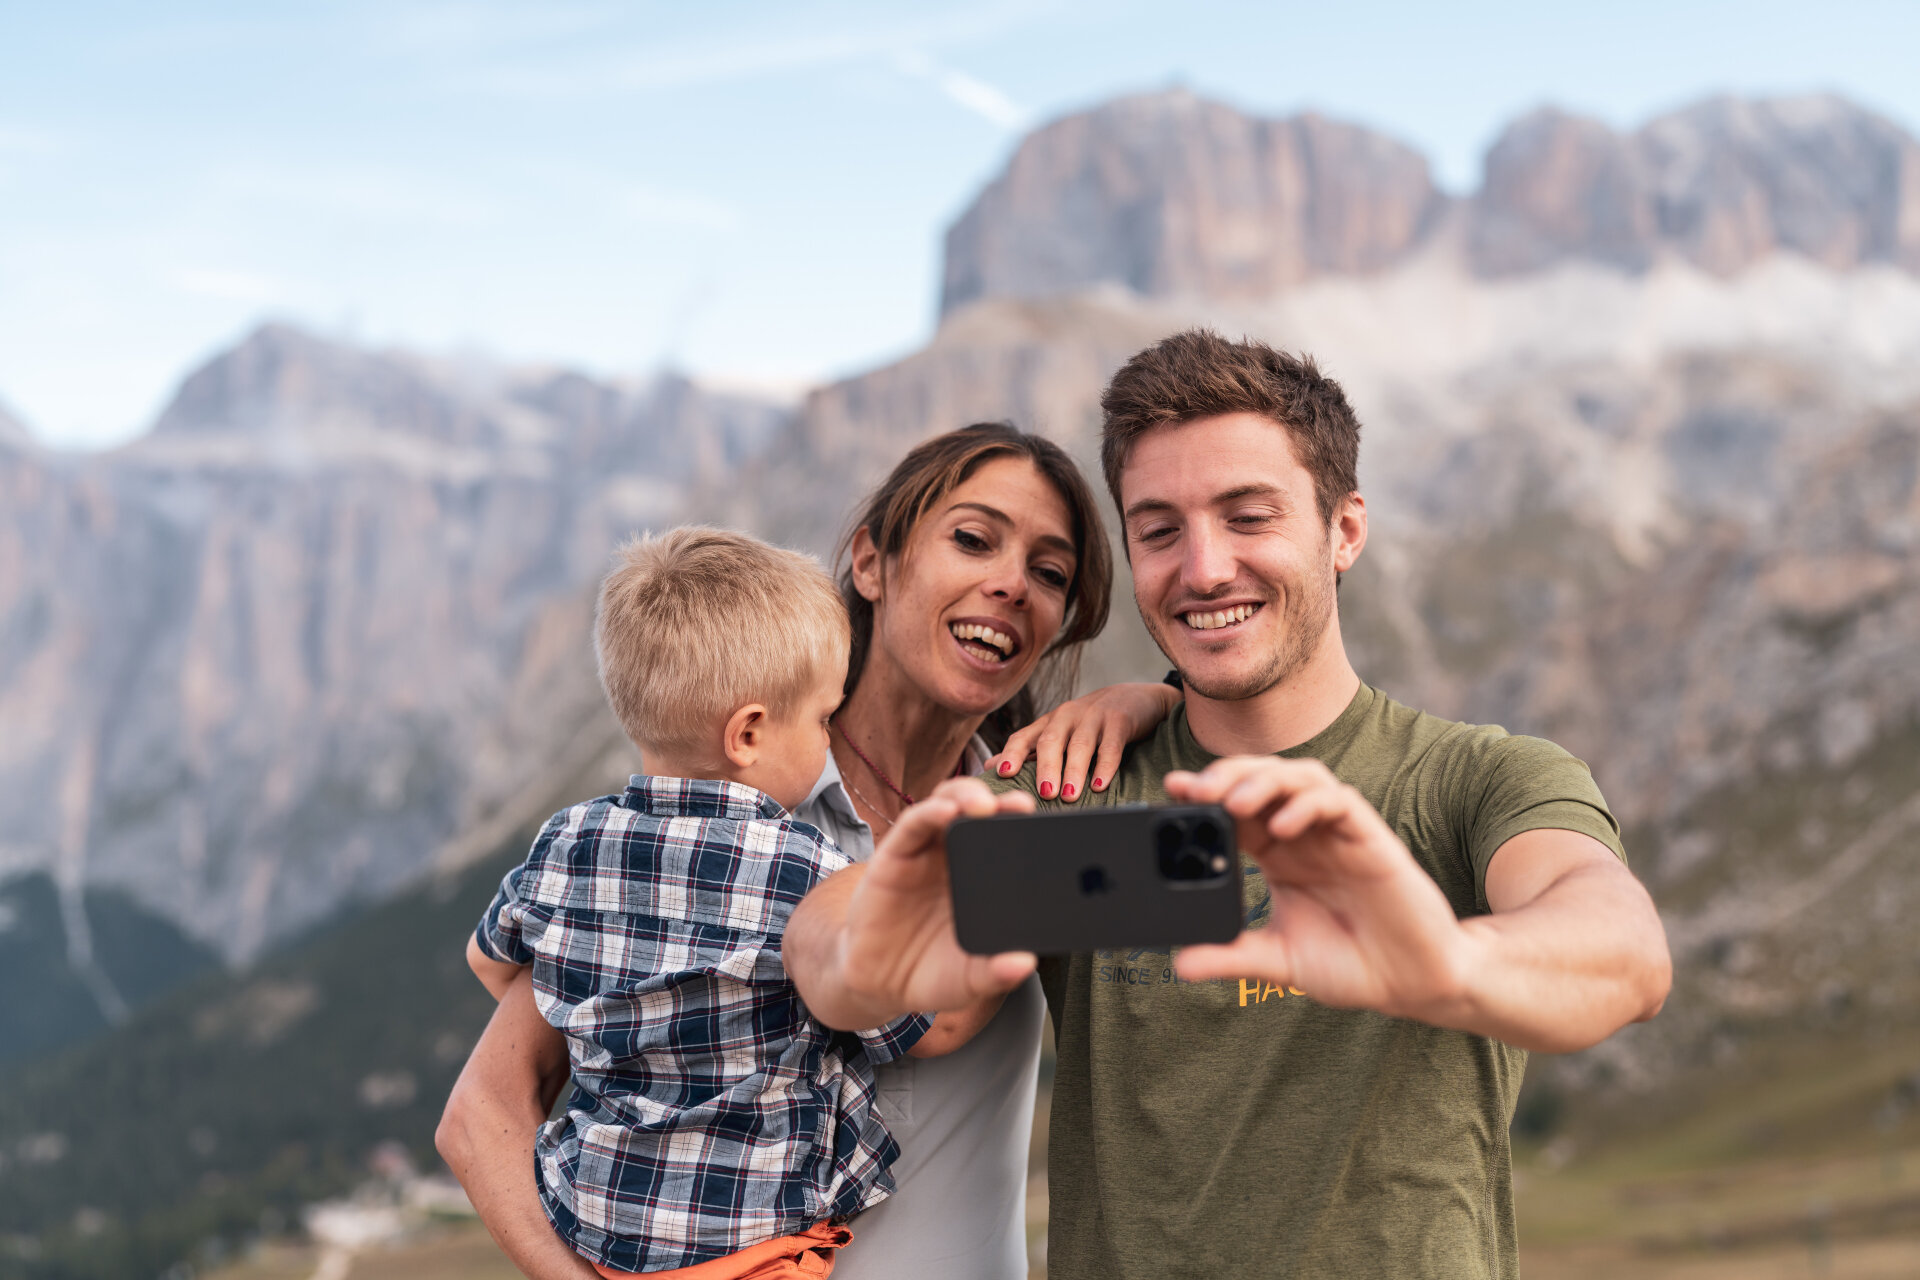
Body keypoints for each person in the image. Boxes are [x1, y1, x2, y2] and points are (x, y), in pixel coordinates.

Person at [782, 331, 1675, 1280]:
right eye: (1160, 531)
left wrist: (1442, 963)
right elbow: (834, 946)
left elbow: (1622, 951)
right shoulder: (1071, 794)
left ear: (1345, 530)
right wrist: (854, 951)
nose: (1204, 569)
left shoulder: (1471, 782)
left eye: (1249, 517)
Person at [440, 423, 1144, 1280]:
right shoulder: (720, 829)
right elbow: (482, 1116)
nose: (1011, 585)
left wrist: (1156, 705)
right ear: (872, 563)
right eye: (972, 539)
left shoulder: (1040, 807)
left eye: (1050, 573)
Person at [458, 526, 934, 1277]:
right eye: (819, 719)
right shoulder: (803, 863)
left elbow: (486, 960)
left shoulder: (567, 840)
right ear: (748, 732)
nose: (827, 741)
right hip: (756, 1246)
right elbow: (901, 1025)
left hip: (600, 1233)